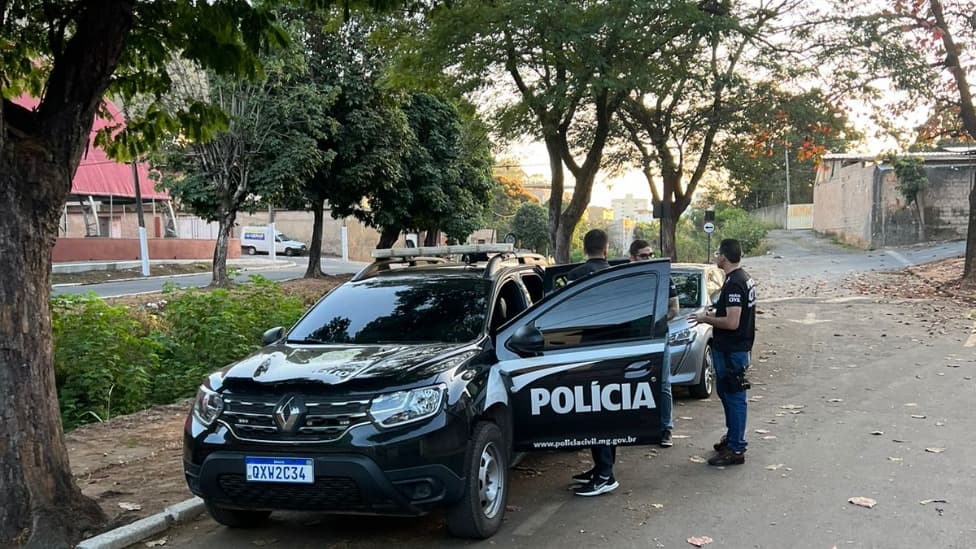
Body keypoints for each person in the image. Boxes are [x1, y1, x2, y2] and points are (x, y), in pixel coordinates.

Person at [689, 238, 756, 466]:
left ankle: (736, 448)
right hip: (731, 348)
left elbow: (732, 322)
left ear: (724, 257)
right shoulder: (740, 279)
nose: (716, 257)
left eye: (718, 253)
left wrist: (705, 318)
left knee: (735, 398)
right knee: (727, 395)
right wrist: (715, 310)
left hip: (732, 349)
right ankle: (732, 438)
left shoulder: (736, 282)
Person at [566, 229, 618, 497]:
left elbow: (566, 315)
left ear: (585, 248)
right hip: (613, 353)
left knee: (595, 414)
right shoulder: (616, 276)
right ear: (606, 248)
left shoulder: (575, 276)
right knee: (606, 411)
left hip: (585, 353)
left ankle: (605, 473)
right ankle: (602, 468)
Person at [628, 239, 679, 448]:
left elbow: (674, 308)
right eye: (643, 255)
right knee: (629, 383)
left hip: (658, 337)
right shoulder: (625, 278)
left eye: (650, 255)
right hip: (631, 339)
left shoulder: (662, 277)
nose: (648, 258)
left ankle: (666, 428)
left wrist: (654, 324)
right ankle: (635, 427)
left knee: (663, 384)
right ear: (632, 258)